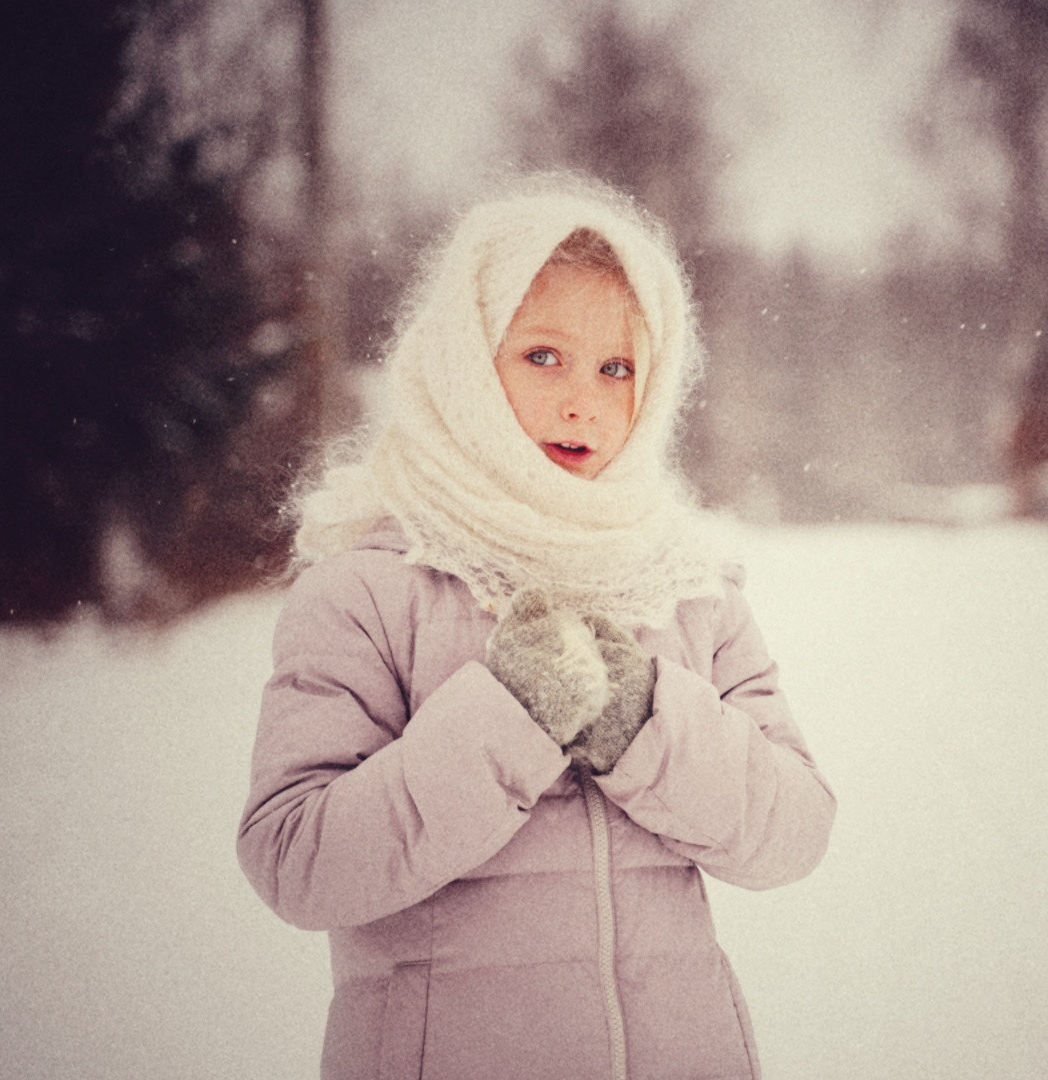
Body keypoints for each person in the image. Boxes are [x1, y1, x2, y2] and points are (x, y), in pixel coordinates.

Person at [236, 175, 836, 1080]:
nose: (581, 400)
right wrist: (511, 714)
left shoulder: (686, 586)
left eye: (617, 367)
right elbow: (297, 860)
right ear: (468, 362)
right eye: (543, 356)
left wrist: (644, 725)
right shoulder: (366, 587)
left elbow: (795, 829)